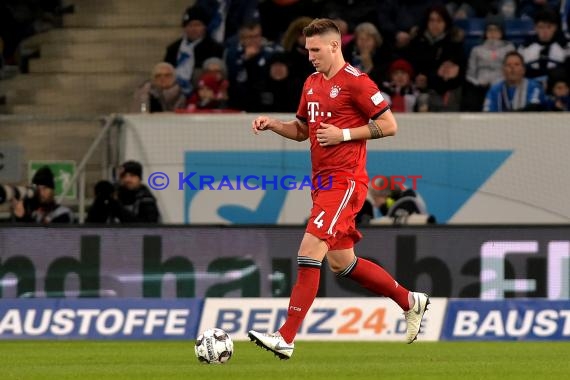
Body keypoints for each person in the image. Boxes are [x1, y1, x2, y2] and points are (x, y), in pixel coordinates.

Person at [248, 18, 430, 360]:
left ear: (335, 46)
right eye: (307, 50)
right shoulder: (311, 83)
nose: (310, 56)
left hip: (346, 182)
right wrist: (273, 124)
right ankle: (410, 300)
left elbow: (390, 125)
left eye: (315, 50)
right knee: (340, 262)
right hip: (322, 183)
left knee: (308, 250)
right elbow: (303, 130)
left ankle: (285, 336)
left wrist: (344, 134)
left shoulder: (356, 82)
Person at [86, 161, 160, 224]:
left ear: (139, 178)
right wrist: (100, 200)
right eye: (124, 176)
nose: (127, 179)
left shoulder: (146, 198)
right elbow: (91, 224)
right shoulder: (116, 194)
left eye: (132, 176)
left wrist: (117, 207)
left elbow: (149, 227)